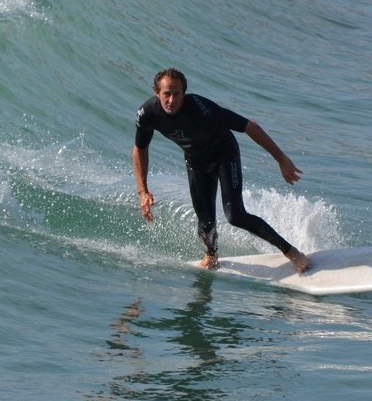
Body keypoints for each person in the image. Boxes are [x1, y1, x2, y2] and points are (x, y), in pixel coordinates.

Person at [132, 68, 310, 273]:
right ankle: (211, 255)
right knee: (205, 222)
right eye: (166, 94)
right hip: (196, 162)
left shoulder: (201, 108)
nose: (171, 100)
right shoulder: (148, 114)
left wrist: (281, 159)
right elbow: (140, 148)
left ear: (184, 93)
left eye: (177, 94)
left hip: (225, 156)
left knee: (236, 216)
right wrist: (143, 191)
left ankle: (291, 252)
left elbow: (248, 126)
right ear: (157, 93)